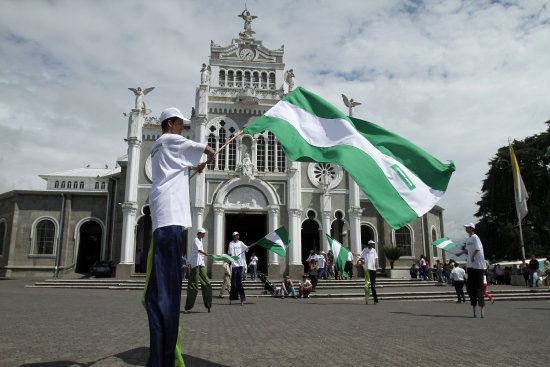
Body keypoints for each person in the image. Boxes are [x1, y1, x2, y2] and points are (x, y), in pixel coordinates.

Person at [144, 107, 215, 367]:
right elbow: (204, 148)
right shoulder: (170, 139)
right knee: (168, 291)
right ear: (170, 123)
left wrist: (195, 167)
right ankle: (163, 359)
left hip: (163, 218)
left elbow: (180, 169)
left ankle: (162, 354)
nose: (183, 128)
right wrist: (211, 151)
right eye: (181, 124)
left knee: (163, 287)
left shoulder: (158, 147)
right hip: (170, 220)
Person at [456, 223, 487, 318]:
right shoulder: (468, 239)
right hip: (470, 265)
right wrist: (460, 254)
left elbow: (478, 249)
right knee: (470, 287)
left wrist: (473, 256)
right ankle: (474, 308)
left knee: (479, 288)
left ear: (471, 228)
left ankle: (481, 308)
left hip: (478, 265)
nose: (466, 228)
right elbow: (467, 250)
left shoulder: (475, 237)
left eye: (467, 227)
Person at [184, 228, 212, 313]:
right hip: (195, 264)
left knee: (207, 283)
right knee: (193, 286)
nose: (204, 235)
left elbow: (201, 252)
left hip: (201, 264)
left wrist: (204, 255)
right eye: (203, 233)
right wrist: (206, 253)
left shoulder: (200, 240)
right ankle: (188, 306)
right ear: (199, 233)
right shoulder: (196, 240)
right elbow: (199, 250)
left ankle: (208, 304)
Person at [228, 231, 255, 305]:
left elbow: (246, 248)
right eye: (236, 235)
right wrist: (227, 261)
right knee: (233, 283)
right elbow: (229, 253)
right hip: (234, 265)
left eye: (238, 235)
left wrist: (250, 246)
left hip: (240, 265)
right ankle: (232, 297)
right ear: (233, 236)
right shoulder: (231, 243)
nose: (237, 236)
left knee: (239, 283)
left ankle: (242, 299)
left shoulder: (241, 243)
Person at [358, 240, 379, 304]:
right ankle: (367, 298)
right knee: (367, 285)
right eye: (372, 244)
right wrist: (362, 262)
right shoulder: (365, 250)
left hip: (373, 269)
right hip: (367, 268)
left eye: (373, 244)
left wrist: (376, 264)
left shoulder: (374, 250)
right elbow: (361, 257)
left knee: (373, 286)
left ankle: (375, 300)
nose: (373, 245)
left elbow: (376, 258)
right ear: (369, 244)